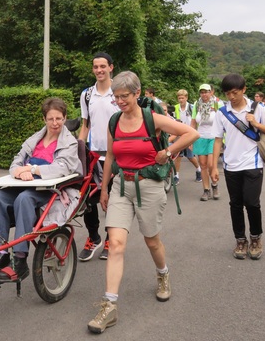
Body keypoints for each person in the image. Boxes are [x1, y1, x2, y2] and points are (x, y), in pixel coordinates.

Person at [87, 71, 199, 334]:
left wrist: (168, 152)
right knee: (115, 244)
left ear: (137, 94)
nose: (120, 102)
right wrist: (104, 189)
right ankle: (109, 306)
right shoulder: (114, 121)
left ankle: (163, 273)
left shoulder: (152, 119)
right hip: (120, 187)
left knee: (152, 240)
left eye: (124, 96)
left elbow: (190, 133)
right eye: (116, 97)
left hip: (149, 186)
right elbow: (111, 158)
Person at [0, 97, 82, 281]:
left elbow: (63, 167)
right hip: (24, 182)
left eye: (58, 118)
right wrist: (18, 171)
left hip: (49, 189)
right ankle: (1, 253)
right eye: (51, 119)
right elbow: (16, 162)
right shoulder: (35, 139)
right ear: (44, 119)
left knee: (24, 198)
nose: (55, 123)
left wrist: (33, 169)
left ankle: (20, 259)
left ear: (65, 118)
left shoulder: (69, 142)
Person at [211, 73, 265, 261]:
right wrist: (213, 167)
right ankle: (240, 240)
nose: (231, 97)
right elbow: (217, 140)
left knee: (251, 202)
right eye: (228, 93)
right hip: (230, 165)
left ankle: (256, 238)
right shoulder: (222, 113)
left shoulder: (257, 108)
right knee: (235, 204)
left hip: (253, 163)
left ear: (243, 90)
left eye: (235, 92)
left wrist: (256, 123)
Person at [77, 53, 120, 261]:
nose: (99, 70)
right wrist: (78, 150)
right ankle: (94, 237)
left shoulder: (119, 92)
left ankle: (111, 238)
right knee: (87, 200)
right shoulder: (86, 94)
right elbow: (85, 126)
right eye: (96, 67)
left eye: (103, 66)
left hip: (116, 156)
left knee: (112, 200)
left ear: (111, 67)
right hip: (93, 156)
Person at [191, 84, 221, 201]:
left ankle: (215, 186)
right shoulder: (197, 104)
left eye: (206, 92)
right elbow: (193, 122)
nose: (204, 94)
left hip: (214, 137)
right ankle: (206, 190)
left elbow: (223, 120)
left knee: (211, 164)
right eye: (202, 92)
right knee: (202, 164)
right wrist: (190, 138)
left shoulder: (217, 103)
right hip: (200, 136)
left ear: (211, 92)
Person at [172, 89, 202, 183]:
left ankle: (198, 170)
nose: (181, 100)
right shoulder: (176, 108)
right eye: (179, 98)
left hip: (189, 134)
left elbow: (195, 122)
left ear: (186, 98)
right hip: (180, 135)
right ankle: (176, 176)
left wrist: (193, 137)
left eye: (182, 98)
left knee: (190, 156)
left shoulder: (192, 107)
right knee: (178, 156)